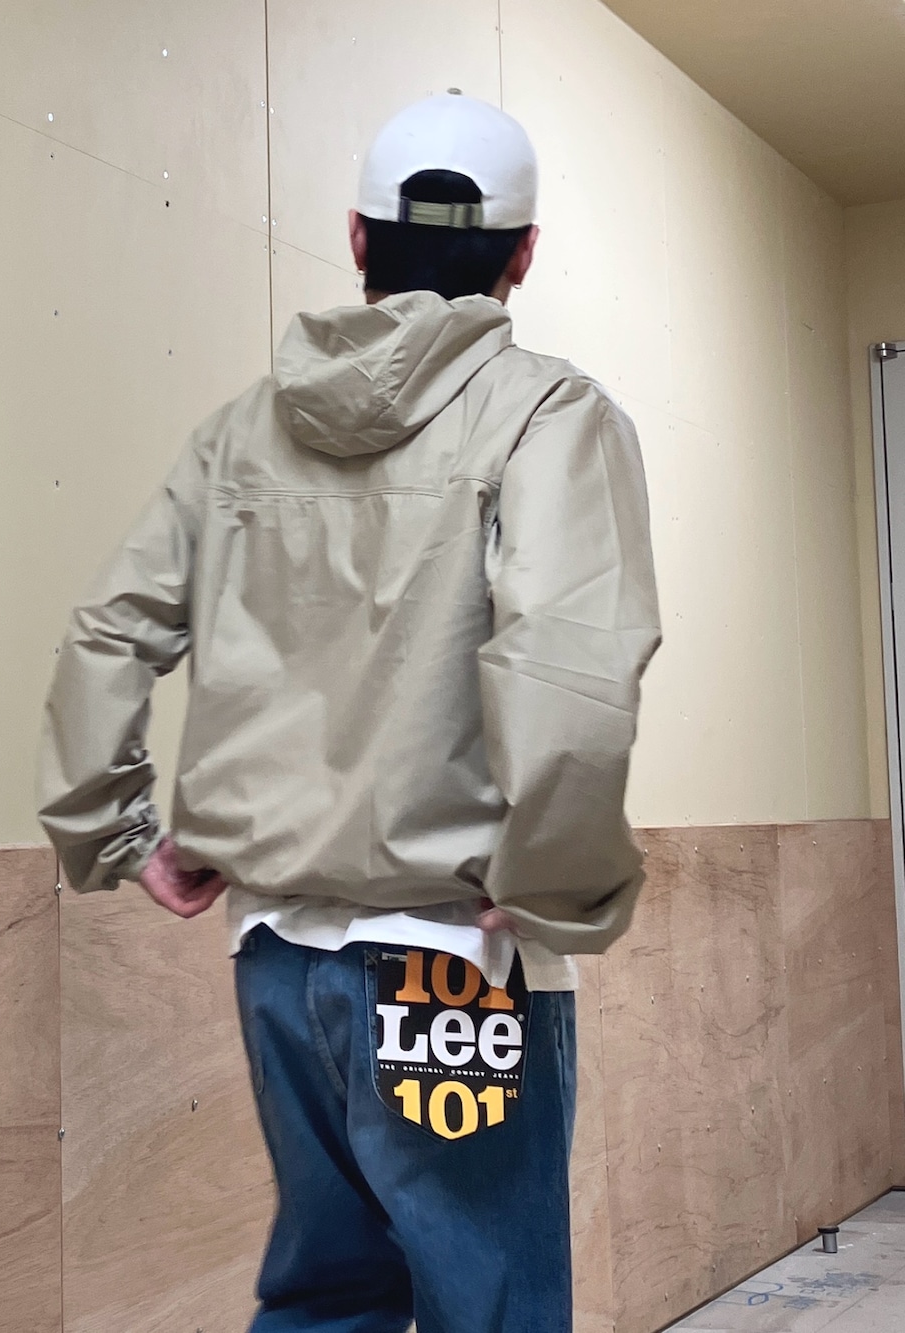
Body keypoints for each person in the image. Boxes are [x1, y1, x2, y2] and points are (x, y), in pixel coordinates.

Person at [38, 91, 660, 1333]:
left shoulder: (240, 431)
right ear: (524, 255)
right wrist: (550, 887)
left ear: (359, 238)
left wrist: (112, 832)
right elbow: (568, 670)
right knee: (488, 1303)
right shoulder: (549, 412)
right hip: (455, 956)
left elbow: (110, 629)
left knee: (327, 1297)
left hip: (276, 957)